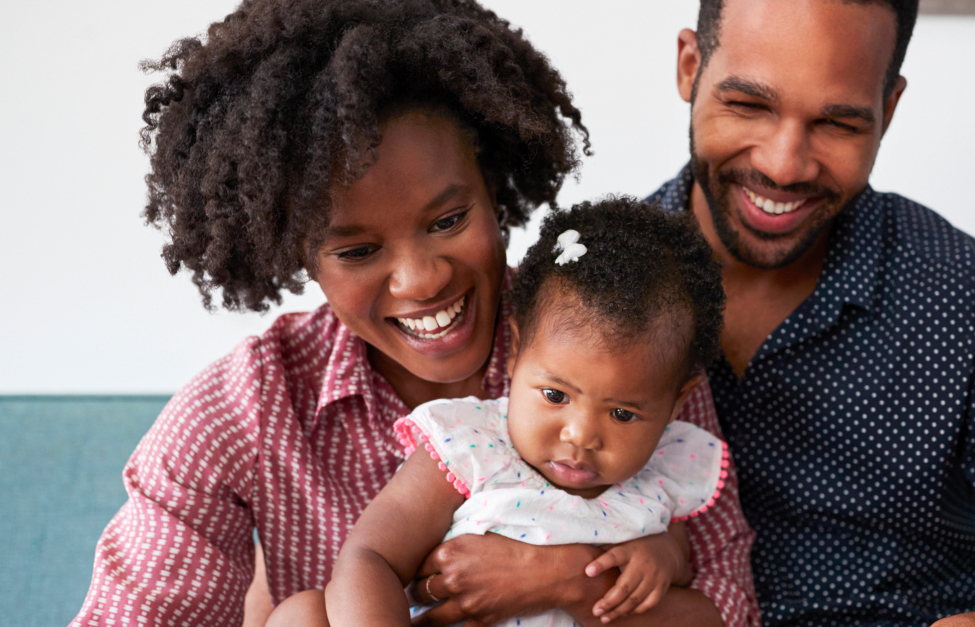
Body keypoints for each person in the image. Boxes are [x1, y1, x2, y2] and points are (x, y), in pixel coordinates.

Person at [69, 2, 758, 627]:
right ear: (296, 249)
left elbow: (727, 605)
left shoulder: (624, 345)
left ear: (493, 182)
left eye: (449, 218)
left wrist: (553, 579)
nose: (422, 278)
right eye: (359, 248)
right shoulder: (244, 410)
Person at [645, 0, 975, 625]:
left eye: (838, 123)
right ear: (689, 67)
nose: (783, 165)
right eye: (749, 105)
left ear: (888, 110)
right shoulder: (585, 293)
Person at [265, 198, 734, 627]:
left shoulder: (661, 480)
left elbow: (701, 606)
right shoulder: (470, 445)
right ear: (514, 357)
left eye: (623, 415)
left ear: (677, 403)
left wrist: (661, 561)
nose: (580, 434)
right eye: (555, 396)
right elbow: (370, 557)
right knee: (301, 615)